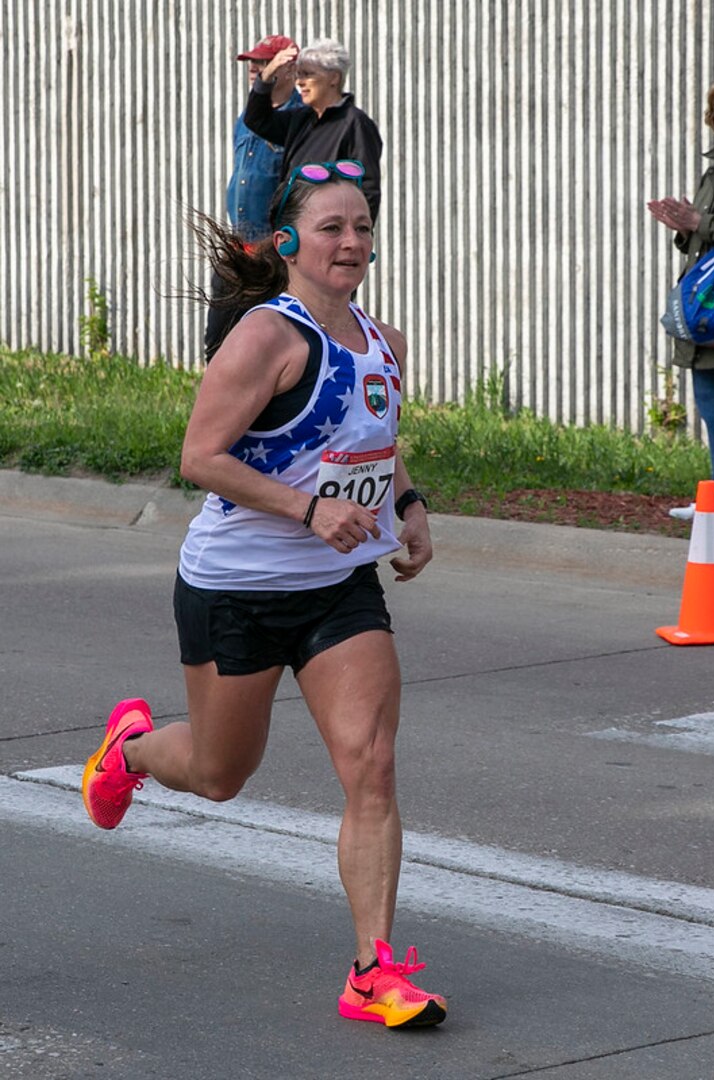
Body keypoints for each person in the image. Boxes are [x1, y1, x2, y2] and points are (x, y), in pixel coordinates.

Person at [82, 160, 447, 1029]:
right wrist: (307, 508)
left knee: (374, 766)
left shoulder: (383, 339)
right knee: (218, 775)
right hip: (235, 588)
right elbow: (200, 458)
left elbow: (377, 437)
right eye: (332, 227)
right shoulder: (266, 336)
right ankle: (129, 750)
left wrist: (409, 502)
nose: (352, 242)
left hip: (336, 590)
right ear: (289, 242)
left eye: (362, 226)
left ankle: (372, 971)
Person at [648, 78, 714, 520]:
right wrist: (685, 227)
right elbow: (706, 233)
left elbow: (711, 226)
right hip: (711, 315)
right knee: (713, 413)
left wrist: (700, 221)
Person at [205, 34, 300, 363]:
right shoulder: (246, 120)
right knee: (217, 341)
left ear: (288, 70)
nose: (254, 70)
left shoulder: (299, 121)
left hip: (270, 255)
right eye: (252, 63)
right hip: (238, 248)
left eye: (263, 63)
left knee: (268, 348)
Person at [244, 39, 382, 223]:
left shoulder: (354, 123)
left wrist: (352, 235)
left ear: (334, 78)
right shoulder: (300, 119)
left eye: (308, 74)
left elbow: (368, 189)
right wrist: (267, 75)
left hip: (329, 235)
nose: (300, 82)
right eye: (298, 75)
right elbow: (256, 119)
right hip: (295, 229)